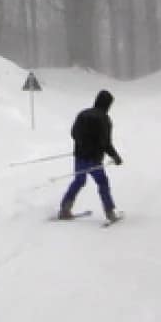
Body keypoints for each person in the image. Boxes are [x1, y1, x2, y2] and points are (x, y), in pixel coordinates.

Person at [58, 89, 124, 223]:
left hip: (80, 156)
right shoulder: (105, 119)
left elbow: (73, 133)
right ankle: (110, 212)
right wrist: (115, 157)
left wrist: (83, 144)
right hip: (94, 159)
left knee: (79, 181)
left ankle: (65, 208)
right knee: (102, 183)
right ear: (107, 104)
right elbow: (106, 143)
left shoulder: (83, 114)